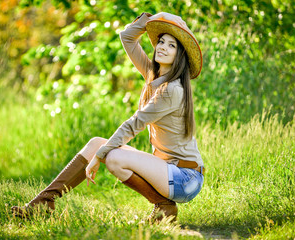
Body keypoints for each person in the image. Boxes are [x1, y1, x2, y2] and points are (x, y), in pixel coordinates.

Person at [12, 12, 204, 223]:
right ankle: (43, 202)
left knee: (113, 158)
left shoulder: (173, 90)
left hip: (185, 178)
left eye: (171, 45)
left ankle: (164, 206)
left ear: (180, 55)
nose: (162, 47)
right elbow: (127, 37)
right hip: (168, 170)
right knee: (96, 143)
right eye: (161, 41)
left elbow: (135, 124)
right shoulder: (153, 75)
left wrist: (100, 157)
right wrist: (149, 21)